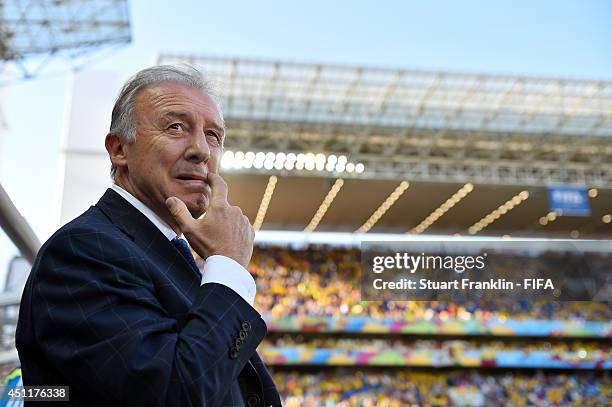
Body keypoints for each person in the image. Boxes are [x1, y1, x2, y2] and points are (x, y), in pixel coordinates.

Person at [15, 65, 281, 407]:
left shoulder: (158, 249)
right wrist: (229, 267)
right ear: (119, 150)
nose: (201, 149)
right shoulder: (84, 251)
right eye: (175, 127)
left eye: (214, 135)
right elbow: (174, 394)